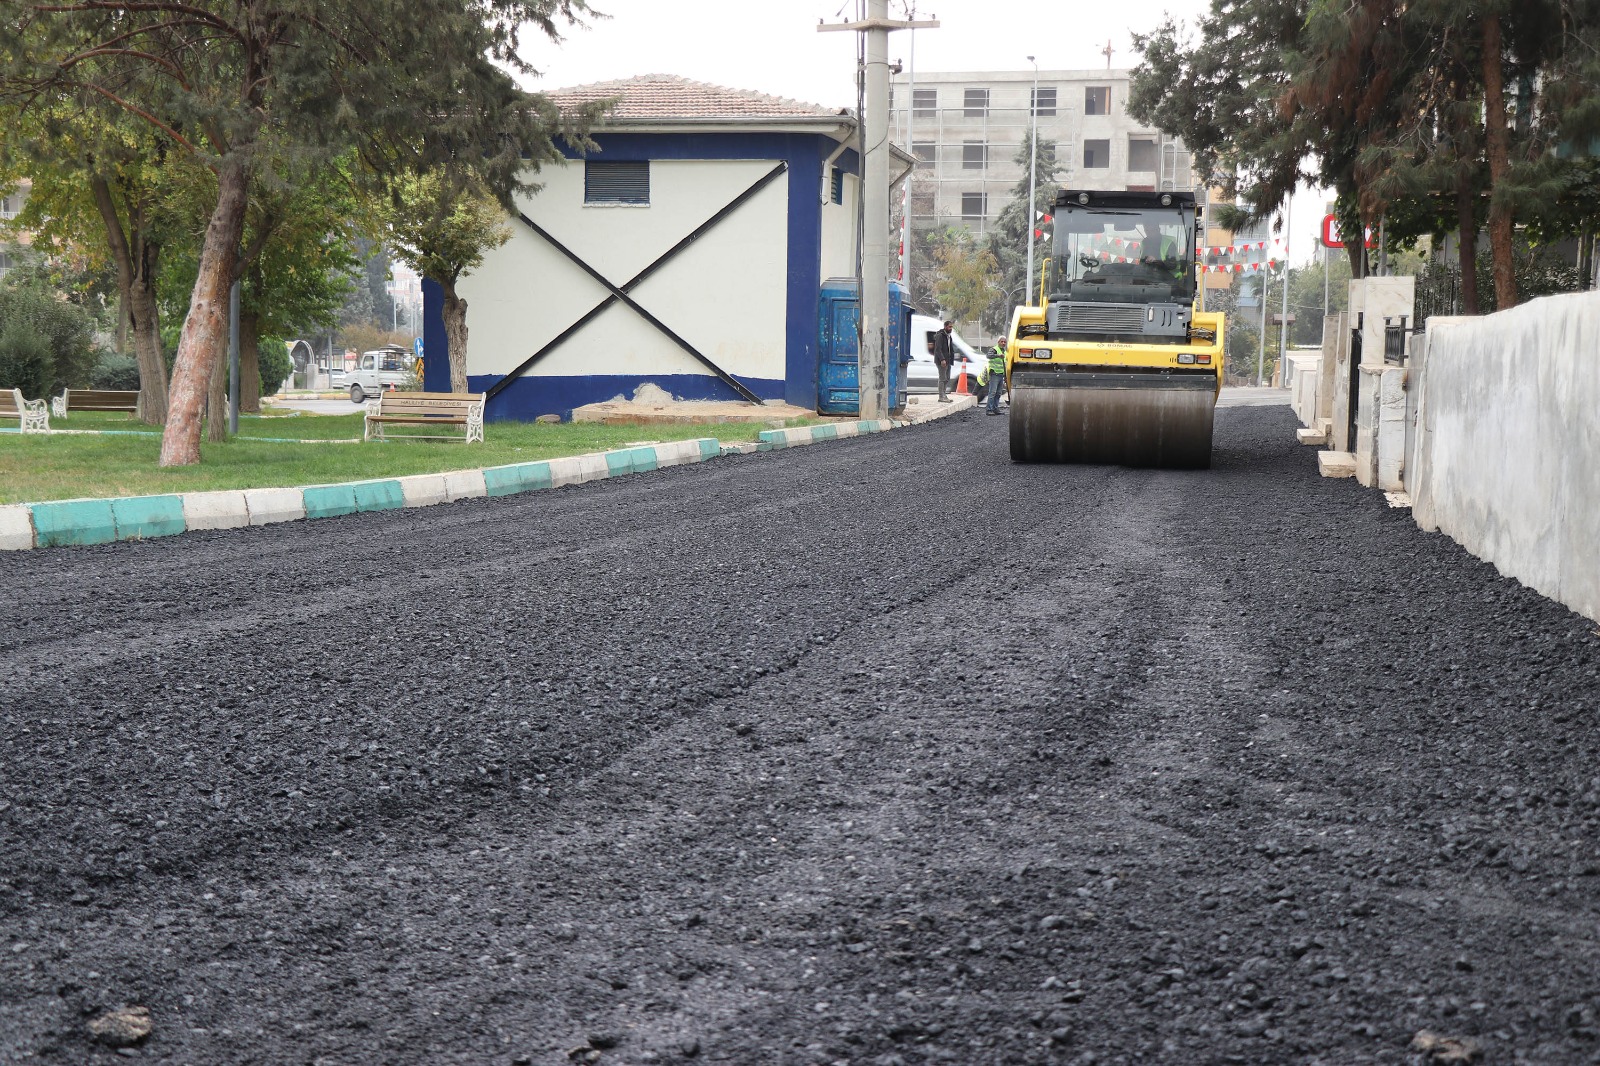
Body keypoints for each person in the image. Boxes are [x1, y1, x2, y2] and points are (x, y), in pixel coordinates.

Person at [932, 320, 955, 402]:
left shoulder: (949, 336)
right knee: (942, 378)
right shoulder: (940, 336)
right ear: (945, 327)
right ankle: (941, 396)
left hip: (948, 361)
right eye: (949, 327)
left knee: (947, 378)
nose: (951, 328)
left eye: (952, 327)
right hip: (941, 361)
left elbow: (950, 349)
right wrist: (942, 359)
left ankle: (944, 395)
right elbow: (938, 349)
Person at [985, 343, 1007, 415]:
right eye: (1002, 341)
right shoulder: (994, 349)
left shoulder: (1005, 351)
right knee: (992, 392)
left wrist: (1006, 376)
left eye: (1004, 342)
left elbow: (1005, 364)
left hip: (1001, 375)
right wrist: (998, 355)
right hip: (994, 374)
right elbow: (988, 355)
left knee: (998, 393)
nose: (1003, 343)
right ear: (998, 342)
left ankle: (995, 408)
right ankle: (989, 409)